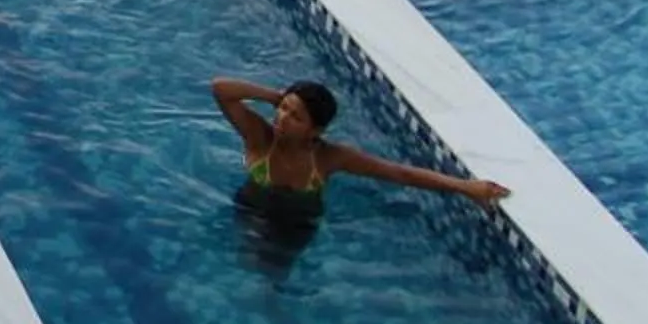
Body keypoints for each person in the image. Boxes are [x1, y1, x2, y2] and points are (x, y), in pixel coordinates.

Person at [211, 78, 508, 231]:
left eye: (295, 116)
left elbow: (399, 173)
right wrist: (275, 96)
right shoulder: (259, 138)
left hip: (298, 222)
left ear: (315, 131)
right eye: (283, 109)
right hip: (250, 207)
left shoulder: (329, 158)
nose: (282, 117)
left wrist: (466, 187)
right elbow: (221, 89)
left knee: (274, 277)